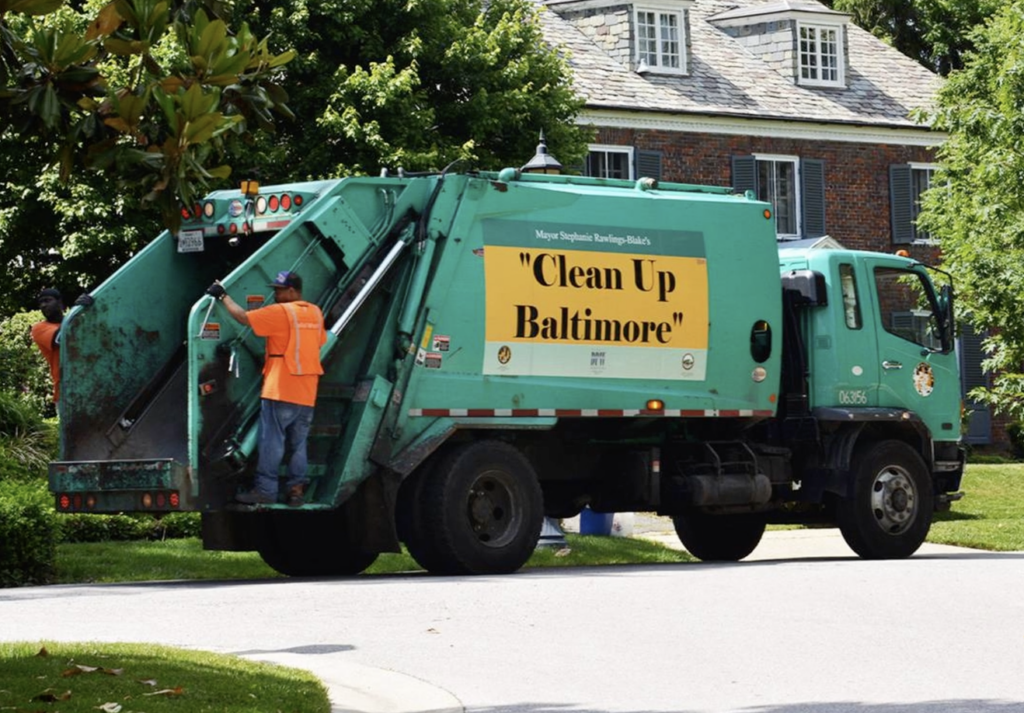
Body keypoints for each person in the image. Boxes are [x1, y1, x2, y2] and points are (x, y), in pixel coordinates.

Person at [207, 271, 326, 506]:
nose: (275, 294)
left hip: (280, 388)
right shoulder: (314, 312)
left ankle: (265, 492)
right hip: (307, 390)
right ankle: (296, 491)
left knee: (272, 442)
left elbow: (243, 317)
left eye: (280, 290)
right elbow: (319, 341)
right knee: (299, 444)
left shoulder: (281, 312)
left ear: (292, 291)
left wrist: (222, 296)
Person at [31, 288, 65, 405]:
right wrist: (78, 311)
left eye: (47, 300)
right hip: (66, 391)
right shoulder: (38, 328)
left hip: (92, 382)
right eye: (41, 302)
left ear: (60, 302)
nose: (43, 305)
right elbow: (62, 338)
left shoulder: (76, 320)